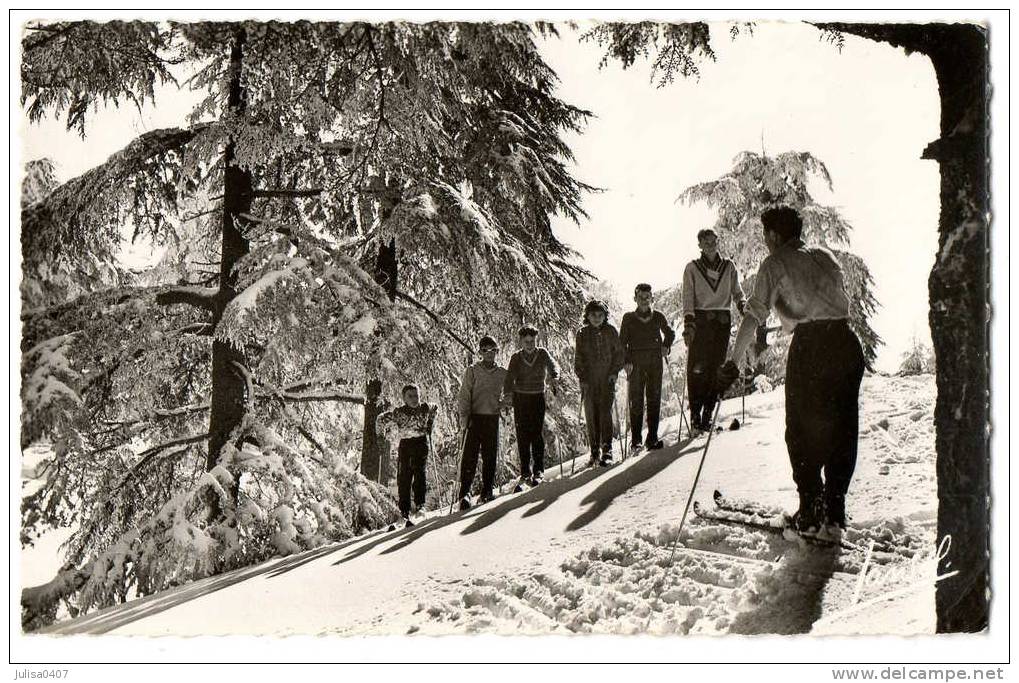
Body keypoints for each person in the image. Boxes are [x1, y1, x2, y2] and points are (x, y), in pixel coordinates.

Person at [721, 206, 865, 532]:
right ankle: (835, 505)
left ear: (773, 234)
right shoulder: (825, 256)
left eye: (765, 234)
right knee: (842, 427)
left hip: (812, 347)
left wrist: (733, 360)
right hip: (845, 342)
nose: (765, 240)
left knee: (801, 428)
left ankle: (812, 507)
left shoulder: (775, 263)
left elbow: (754, 315)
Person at [682, 228, 746, 432]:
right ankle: (695, 416)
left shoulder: (728, 266)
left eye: (713, 241)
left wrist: (743, 305)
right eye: (706, 242)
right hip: (701, 321)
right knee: (697, 369)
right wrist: (689, 323)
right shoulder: (692, 268)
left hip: (721, 322)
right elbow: (688, 297)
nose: (711, 245)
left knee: (716, 369)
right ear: (699, 244)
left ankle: (708, 414)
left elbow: (737, 292)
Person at [620, 284, 676, 452]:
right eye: (641, 297)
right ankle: (636, 440)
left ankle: (652, 437)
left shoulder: (658, 316)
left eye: (647, 297)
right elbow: (622, 342)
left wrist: (666, 345)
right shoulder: (628, 318)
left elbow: (670, 333)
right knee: (636, 401)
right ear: (635, 299)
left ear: (652, 299)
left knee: (654, 399)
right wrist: (626, 360)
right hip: (635, 363)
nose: (644, 300)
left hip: (654, 362)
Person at [456, 335, 509, 510]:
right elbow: (465, 395)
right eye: (485, 350)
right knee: (470, 457)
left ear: (497, 352)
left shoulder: (502, 373)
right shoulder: (472, 370)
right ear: (480, 352)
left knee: (490, 456)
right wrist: (465, 417)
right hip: (474, 418)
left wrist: (503, 404)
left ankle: (487, 490)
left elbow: (511, 391)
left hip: (491, 418)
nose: (489, 354)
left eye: (493, 350)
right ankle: (465, 493)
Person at [504, 325, 560, 489]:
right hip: (520, 398)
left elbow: (553, 365)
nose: (529, 344)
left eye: (532, 341)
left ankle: (538, 471)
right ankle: (525, 473)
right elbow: (509, 378)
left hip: (537, 397)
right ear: (521, 341)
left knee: (536, 433)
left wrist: (554, 376)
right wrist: (507, 394)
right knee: (522, 435)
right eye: (526, 341)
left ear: (536, 339)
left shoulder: (542, 353)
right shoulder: (516, 357)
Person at [376, 384, 437, 527]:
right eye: (410, 396)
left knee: (420, 474)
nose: (414, 399)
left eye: (416, 395)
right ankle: (404, 512)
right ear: (404, 398)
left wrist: (430, 424)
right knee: (404, 477)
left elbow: (435, 408)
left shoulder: (425, 408)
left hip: (421, 443)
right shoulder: (399, 412)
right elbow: (380, 419)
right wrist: (380, 436)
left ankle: (420, 506)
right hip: (405, 445)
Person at [574, 300, 624, 466]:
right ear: (587, 316)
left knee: (604, 413)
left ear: (605, 316)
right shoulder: (582, 333)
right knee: (591, 415)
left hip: (606, 379)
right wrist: (582, 377)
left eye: (600, 315)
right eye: (593, 315)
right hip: (589, 381)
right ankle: (594, 451)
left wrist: (614, 372)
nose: (596, 318)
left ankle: (607, 449)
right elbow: (579, 358)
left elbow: (618, 354)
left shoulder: (610, 331)